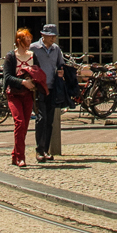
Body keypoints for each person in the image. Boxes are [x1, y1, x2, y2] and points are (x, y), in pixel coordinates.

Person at [0, 29, 45, 167]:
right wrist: (23, 82)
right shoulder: (11, 56)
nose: (29, 42)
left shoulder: (32, 56)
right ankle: (20, 157)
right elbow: (7, 77)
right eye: (26, 40)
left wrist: (35, 82)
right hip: (14, 94)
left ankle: (15, 155)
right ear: (19, 41)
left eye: (30, 39)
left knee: (24, 126)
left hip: (28, 94)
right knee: (19, 122)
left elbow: (37, 71)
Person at [28, 24, 70, 162]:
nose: (53, 39)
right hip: (39, 88)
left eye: (54, 36)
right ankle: (39, 150)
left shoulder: (56, 49)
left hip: (52, 88)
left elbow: (60, 64)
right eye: (50, 36)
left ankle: (46, 150)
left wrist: (61, 71)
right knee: (42, 118)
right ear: (43, 35)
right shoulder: (34, 48)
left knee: (50, 120)